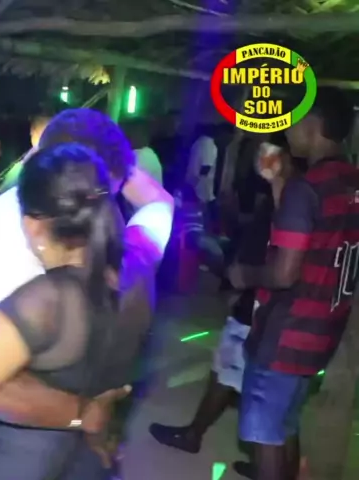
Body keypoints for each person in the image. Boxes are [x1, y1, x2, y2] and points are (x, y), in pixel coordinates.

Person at [0, 109, 173, 479]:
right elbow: (160, 203)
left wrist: (83, 414)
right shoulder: (131, 249)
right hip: (24, 447)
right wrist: (109, 173)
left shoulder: (33, 249)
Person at [227, 88, 359, 480]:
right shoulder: (349, 181)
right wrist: (279, 185)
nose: (287, 130)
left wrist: (245, 274)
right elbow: (319, 242)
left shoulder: (308, 188)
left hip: (287, 333)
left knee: (263, 435)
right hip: (325, 330)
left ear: (312, 124)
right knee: (285, 425)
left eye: (293, 121)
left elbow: (284, 274)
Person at [149, 133, 306, 460]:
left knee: (249, 389)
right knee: (247, 386)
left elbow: (275, 257)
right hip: (266, 303)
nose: (262, 159)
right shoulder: (289, 194)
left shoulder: (291, 199)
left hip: (261, 302)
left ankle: (198, 437)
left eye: (269, 152)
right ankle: (203, 436)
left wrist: (241, 286)